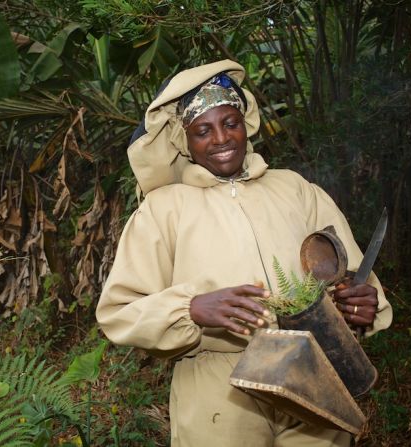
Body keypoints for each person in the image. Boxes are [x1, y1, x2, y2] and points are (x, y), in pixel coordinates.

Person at [96, 60, 392, 447]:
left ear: (246, 124)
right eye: (203, 130)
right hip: (220, 387)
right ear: (185, 141)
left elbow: (348, 271)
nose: (221, 138)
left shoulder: (295, 189)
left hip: (316, 371)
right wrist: (191, 308)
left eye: (230, 123)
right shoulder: (163, 210)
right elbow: (119, 313)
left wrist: (360, 303)